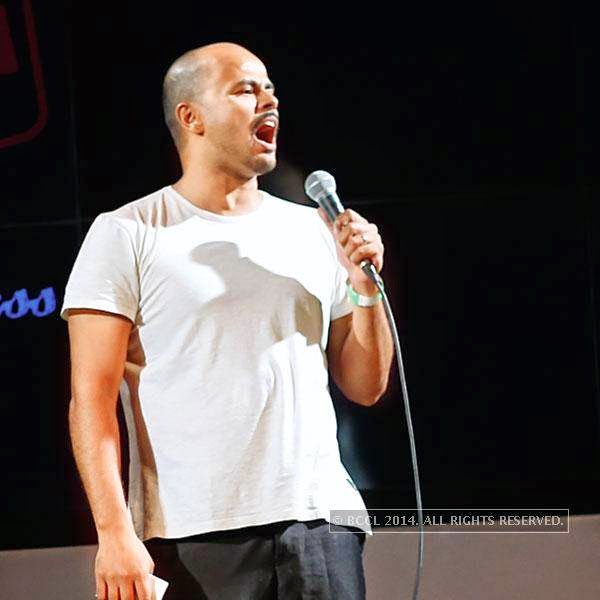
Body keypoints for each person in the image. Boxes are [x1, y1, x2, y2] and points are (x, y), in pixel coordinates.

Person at [61, 42, 394, 600]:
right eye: (245, 89)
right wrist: (115, 533)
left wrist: (365, 293)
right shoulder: (128, 233)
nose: (269, 100)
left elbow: (365, 385)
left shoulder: (314, 230)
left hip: (320, 525)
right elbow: (90, 400)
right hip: (194, 533)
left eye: (271, 89)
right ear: (190, 117)